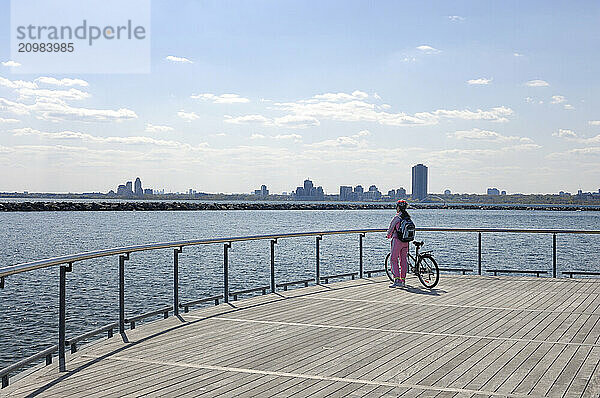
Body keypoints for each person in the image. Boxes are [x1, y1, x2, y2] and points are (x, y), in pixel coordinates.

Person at [387, 200, 411, 288]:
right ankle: (403, 280)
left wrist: (388, 236)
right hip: (406, 241)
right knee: (403, 260)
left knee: (393, 259)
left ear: (398, 207)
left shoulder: (397, 218)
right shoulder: (407, 217)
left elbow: (390, 229)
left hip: (397, 240)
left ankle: (397, 280)